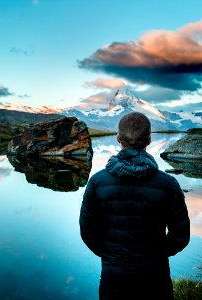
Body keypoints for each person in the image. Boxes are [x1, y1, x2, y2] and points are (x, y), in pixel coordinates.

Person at [79, 112, 190, 300]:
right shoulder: (168, 184)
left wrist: (110, 254)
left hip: (113, 276)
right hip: (155, 275)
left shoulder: (97, 182)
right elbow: (180, 235)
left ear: (118, 138)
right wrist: (157, 255)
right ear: (149, 139)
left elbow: (87, 230)